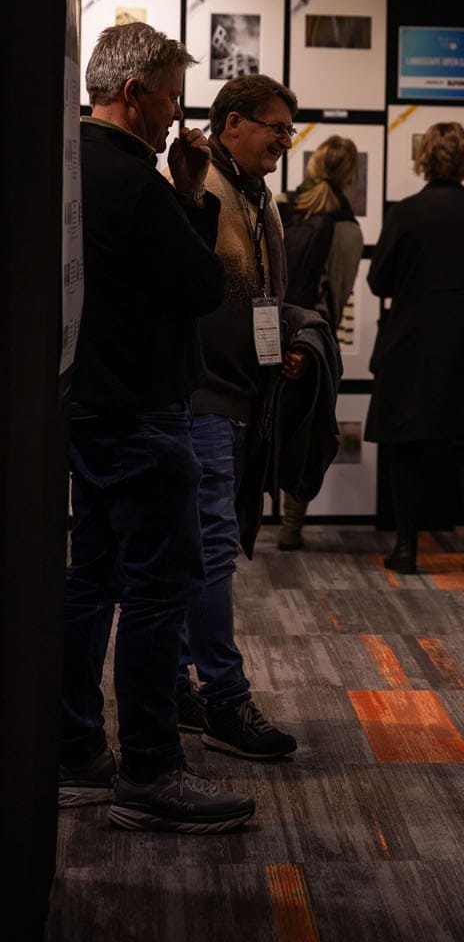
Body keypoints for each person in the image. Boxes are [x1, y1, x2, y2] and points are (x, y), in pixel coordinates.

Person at [59, 21, 255, 834]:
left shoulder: (69, 162)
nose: (179, 116)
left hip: (88, 407)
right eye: (171, 96)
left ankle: (72, 753)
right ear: (133, 93)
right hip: (143, 413)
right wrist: (194, 192)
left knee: (90, 583)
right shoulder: (137, 180)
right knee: (157, 590)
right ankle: (149, 770)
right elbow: (204, 285)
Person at [174, 75, 301, 760]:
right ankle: (225, 699)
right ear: (231, 126)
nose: (286, 139)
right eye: (275, 126)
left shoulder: (256, 197)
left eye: (289, 128)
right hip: (204, 398)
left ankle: (176, 685)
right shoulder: (202, 193)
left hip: (233, 397)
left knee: (198, 550)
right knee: (210, 550)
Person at [364, 121, 464, 578]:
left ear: (424, 158)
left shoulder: (405, 213)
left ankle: (407, 547)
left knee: (406, 445)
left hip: (412, 342)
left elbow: (378, 281)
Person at [276, 135, 364, 550]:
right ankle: (291, 529)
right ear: (350, 175)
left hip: (268, 328)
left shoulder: (278, 205)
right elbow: (341, 294)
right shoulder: (348, 229)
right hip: (314, 339)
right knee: (306, 429)